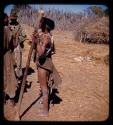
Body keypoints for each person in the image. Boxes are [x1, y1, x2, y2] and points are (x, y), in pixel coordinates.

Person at [33, 17, 62, 116]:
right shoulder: (49, 36)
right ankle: (45, 106)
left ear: (44, 25)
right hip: (48, 63)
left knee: (44, 88)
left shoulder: (45, 38)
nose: (39, 23)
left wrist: (37, 43)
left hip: (43, 65)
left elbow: (41, 53)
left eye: (40, 22)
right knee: (45, 87)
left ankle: (45, 111)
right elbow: (52, 50)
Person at [3, 13, 18, 104]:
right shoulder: (9, 30)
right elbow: (13, 45)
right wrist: (15, 37)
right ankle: (12, 98)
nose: (9, 19)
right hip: (7, 56)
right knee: (10, 76)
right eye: (7, 18)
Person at [9, 9, 26, 79]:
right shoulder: (7, 25)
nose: (12, 20)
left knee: (18, 63)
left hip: (17, 47)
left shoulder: (20, 27)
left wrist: (17, 39)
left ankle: (18, 77)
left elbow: (24, 36)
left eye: (14, 18)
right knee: (9, 62)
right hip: (9, 48)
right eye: (11, 18)